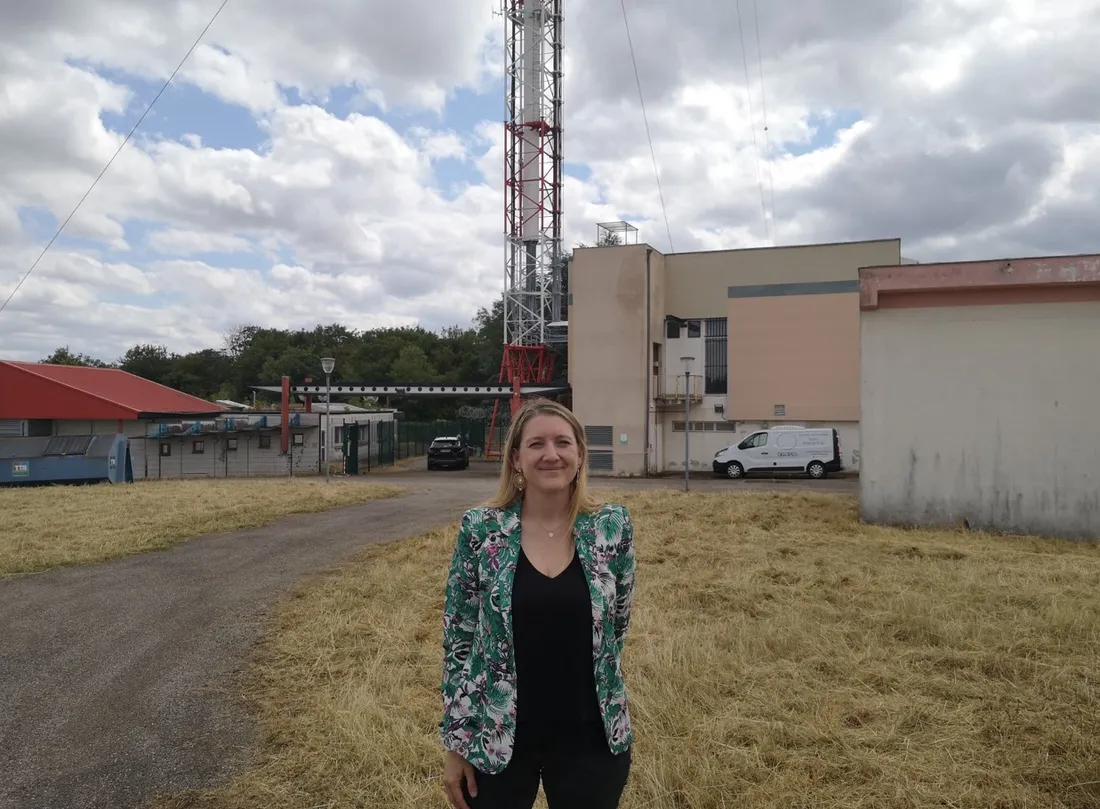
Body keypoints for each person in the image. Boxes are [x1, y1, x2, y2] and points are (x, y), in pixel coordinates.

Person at [439, 398, 636, 809]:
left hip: (591, 738)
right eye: (536, 444)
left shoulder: (611, 527)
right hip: (494, 739)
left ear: (580, 454)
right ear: (515, 458)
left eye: (563, 443)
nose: (551, 455)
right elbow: (459, 640)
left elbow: (616, 628)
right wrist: (455, 743)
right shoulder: (481, 529)